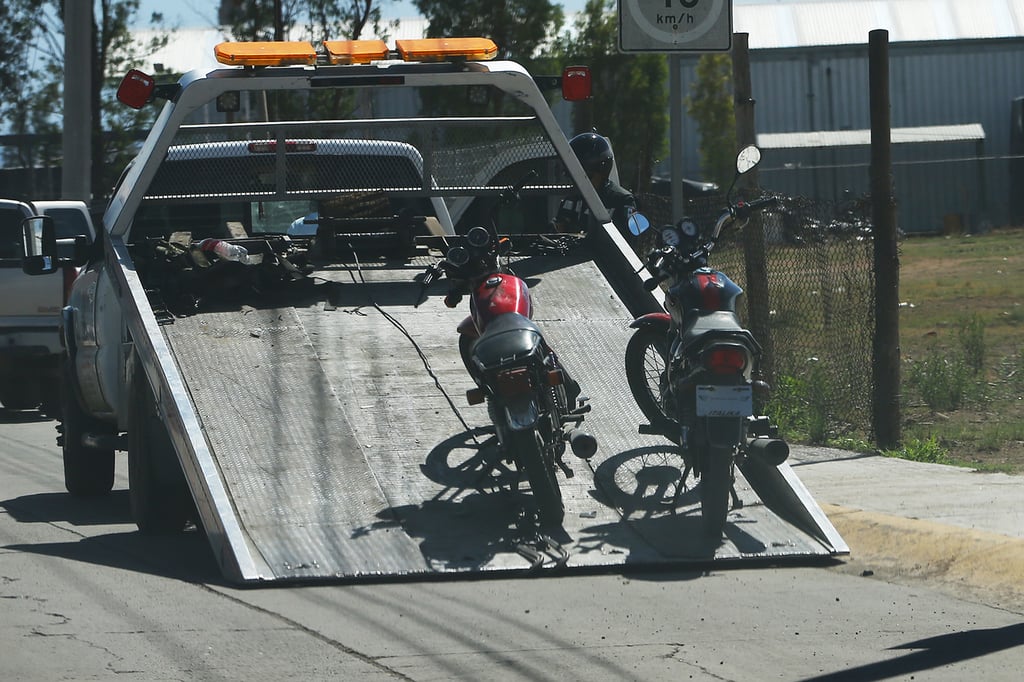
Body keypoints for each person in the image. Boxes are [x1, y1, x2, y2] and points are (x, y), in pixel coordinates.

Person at [551, 131, 639, 241]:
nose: (579, 182)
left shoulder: (623, 201)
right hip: (569, 256)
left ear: (602, 171)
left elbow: (632, 240)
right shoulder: (571, 200)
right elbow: (558, 230)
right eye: (574, 177)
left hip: (605, 257)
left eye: (586, 176)